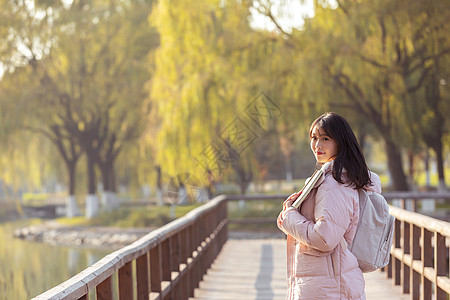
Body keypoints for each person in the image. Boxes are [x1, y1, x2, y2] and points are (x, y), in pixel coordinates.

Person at [277, 112, 382, 300]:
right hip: (330, 282)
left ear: (340, 142)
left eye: (325, 138)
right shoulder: (339, 179)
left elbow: (325, 238)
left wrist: (289, 218)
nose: (317, 145)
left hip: (329, 287)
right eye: (314, 138)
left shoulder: (334, 185)